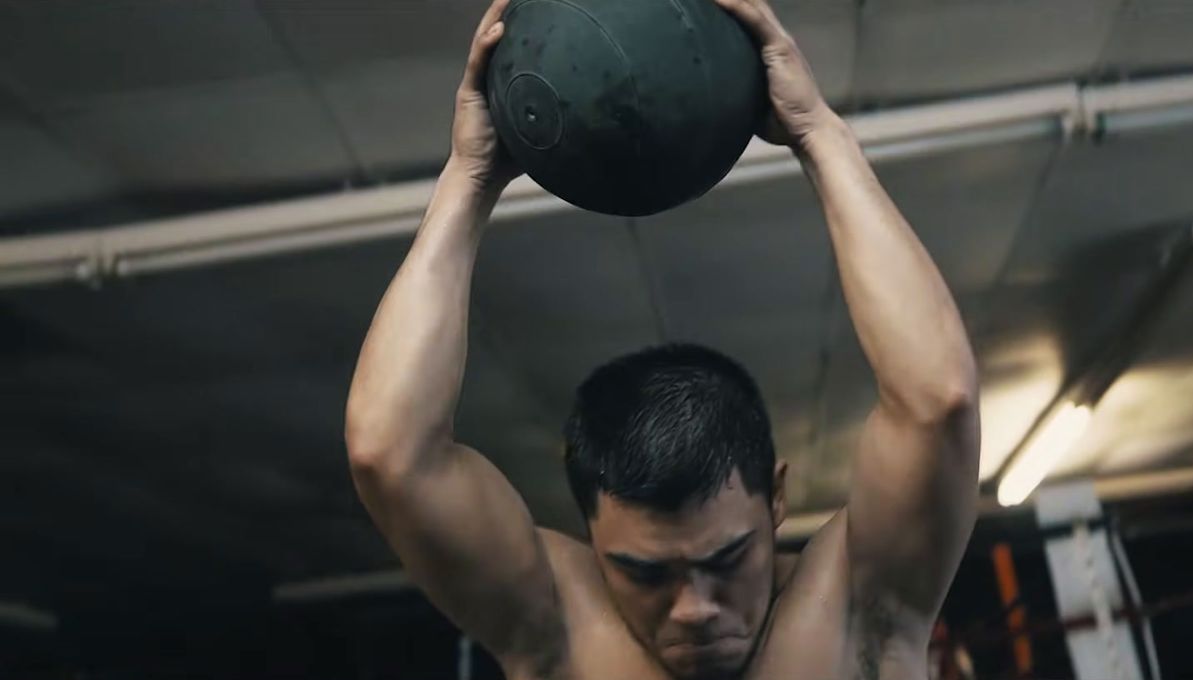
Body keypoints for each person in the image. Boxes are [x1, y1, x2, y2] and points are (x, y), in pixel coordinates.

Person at [342, 0, 980, 678]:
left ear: (777, 498)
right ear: (590, 530)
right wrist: (468, 177)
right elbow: (390, 452)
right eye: (645, 573)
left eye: (727, 560)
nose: (694, 610)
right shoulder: (559, 628)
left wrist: (818, 132)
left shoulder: (860, 611)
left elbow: (938, 399)